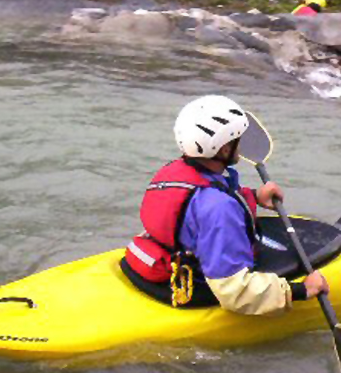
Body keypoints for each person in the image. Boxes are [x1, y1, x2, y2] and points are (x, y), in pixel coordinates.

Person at [124, 95, 329, 313]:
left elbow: (199, 207)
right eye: (238, 139)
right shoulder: (219, 208)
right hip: (199, 282)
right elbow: (234, 293)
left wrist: (254, 197)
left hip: (155, 259)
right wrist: (301, 290)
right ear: (224, 150)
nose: (242, 144)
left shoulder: (174, 171)